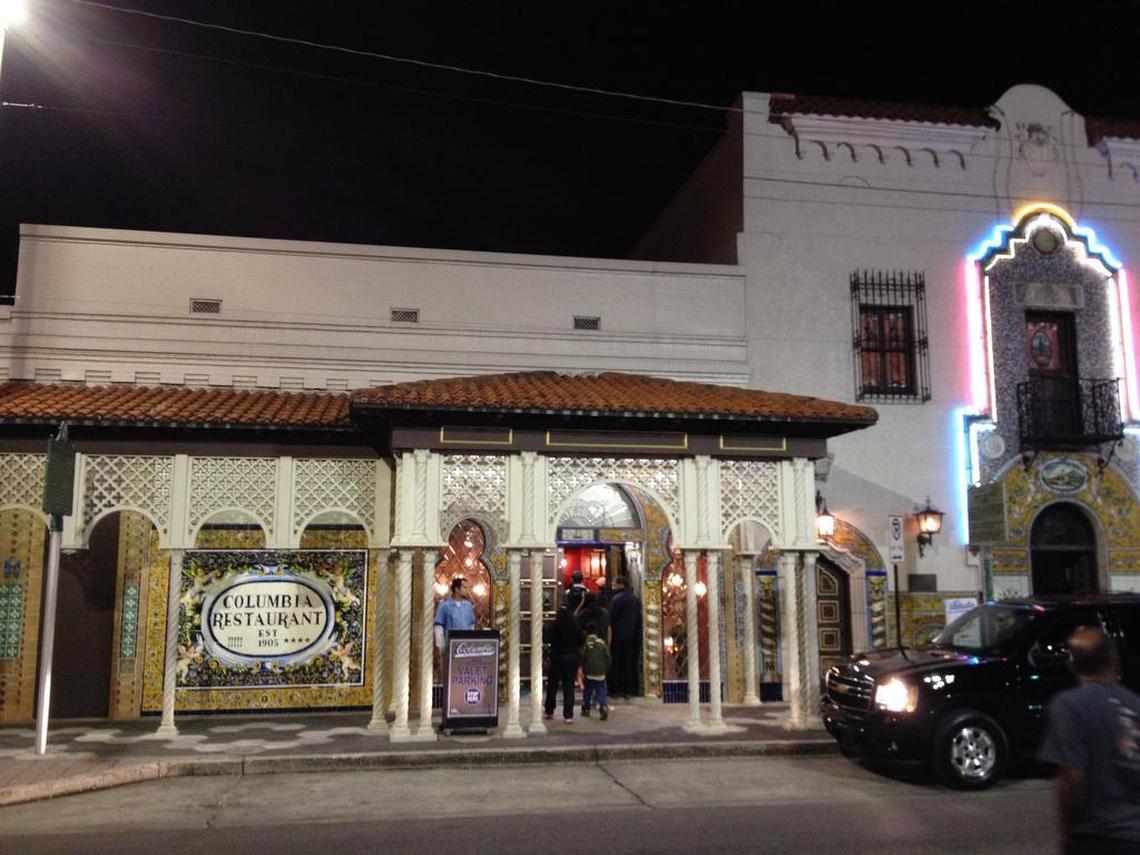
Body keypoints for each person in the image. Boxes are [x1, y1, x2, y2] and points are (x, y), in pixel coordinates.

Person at [1038, 627, 1140, 854]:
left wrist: (1066, 829)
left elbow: (1071, 778)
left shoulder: (1069, 705)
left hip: (1095, 835)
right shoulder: (1135, 706)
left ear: (1072, 665)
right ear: (1115, 661)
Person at [543, 607, 585, 723]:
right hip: (571, 657)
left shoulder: (554, 625)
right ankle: (568, 715)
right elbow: (581, 640)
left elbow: (547, 638)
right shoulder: (575, 626)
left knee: (552, 685)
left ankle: (549, 710)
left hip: (557, 657)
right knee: (569, 686)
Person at [607, 575, 642, 699]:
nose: (613, 586)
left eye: (614, 584)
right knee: (629, 663)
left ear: (620, 584)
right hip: (632, 636)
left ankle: (616, 690)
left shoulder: (616, 599)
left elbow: (611, 618)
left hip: (618, 636)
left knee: (617, 663)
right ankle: (630, 689)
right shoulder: (634, 599)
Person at [433, 576, 475, 650]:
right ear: (456, 589)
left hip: (466, 646)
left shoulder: (468, 606)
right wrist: (441, 646)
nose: (467, 590)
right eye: (464, 587)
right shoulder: (444, 606)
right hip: (450, 645)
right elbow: (439, 626)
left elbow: (471, 625)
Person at [580, 631, 612, 720]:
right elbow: (608, 658)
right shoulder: (602, 645)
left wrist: (584, 669)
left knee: (588, 691)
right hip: (600, 673)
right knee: (601, 690)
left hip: (589, 673)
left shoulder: (586, 646)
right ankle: (603, 706)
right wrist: (605, 669)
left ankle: (586, 708)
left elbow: (582, 658)